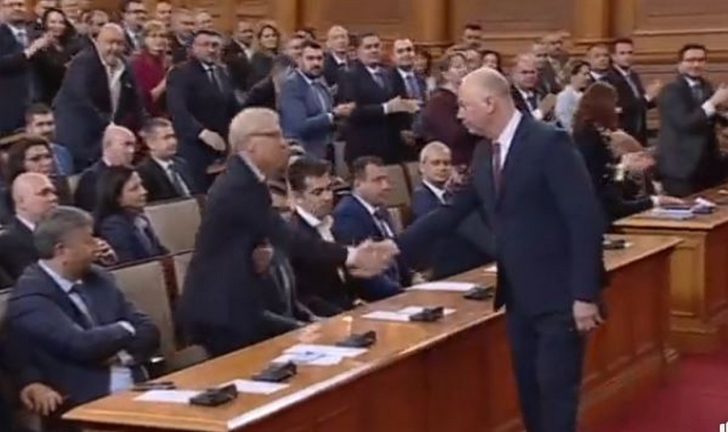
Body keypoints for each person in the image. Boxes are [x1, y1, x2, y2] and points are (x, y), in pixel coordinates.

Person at [397, 67, 606, 432]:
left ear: (489, 103)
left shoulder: (549, 143)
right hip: (519, 299)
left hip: (561, 299)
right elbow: (451, 212)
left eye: (464, 106)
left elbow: (584, 220)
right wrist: (392, 246)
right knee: (529, 394)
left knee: (556, 396)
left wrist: (585, 295)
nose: (459, 114)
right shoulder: (484, 153)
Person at [177, 108, 396, 357]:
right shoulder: (240, 185)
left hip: (236, 304)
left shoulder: (248, 180)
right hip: (219, 309)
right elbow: (287, 237)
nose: (284, 143)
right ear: (250, 144)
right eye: (275, 135)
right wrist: (352, 256)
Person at [6, 206, 159, 409]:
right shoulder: (30, 296)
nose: (97, 246)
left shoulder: (99, 277)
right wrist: (125, 328)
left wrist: (122, 355)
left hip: (142, 385)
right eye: (88, 241)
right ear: (61, 250)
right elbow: (81, 345)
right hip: (91, 400)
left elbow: (149, 330)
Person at [572, 81, 682, 223]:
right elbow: (610, 196)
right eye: (614, 105)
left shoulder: (592, 133)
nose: (618, 110)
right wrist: (624, 167)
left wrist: (624, 164)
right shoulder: (590, 138)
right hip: (603, 215)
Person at [53, 23, 146, 169]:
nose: (114, 48)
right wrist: (110, 127)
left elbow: (135, 102)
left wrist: (145, 128)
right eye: (110, 43)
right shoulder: (82, 63)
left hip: (107, 138)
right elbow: (82, 101)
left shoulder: (125, 66)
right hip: (80, 136)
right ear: (98, 42)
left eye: (119, 43)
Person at [0, 173, 116, 287]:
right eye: (44, 193)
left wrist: (104, 260)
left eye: (53, 192)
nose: (53, 198)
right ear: (21, 202)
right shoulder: (8, 242)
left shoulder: (73, 226)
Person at [166, 29, 239, 190]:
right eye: (205, 45)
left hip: (222, 147)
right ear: (193, 48)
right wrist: (202, 133)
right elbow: (178, 110)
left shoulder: (223, 72)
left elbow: (232, 108)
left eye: (215, 45)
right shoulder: (180, 72)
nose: (211, 50)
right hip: (194, 147)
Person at [332, 156, 410, 300]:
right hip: (378, 300)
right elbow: (365, 273)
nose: (386, 186)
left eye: (386, 179)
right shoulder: (348, 214)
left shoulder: (381, 210)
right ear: (358, 184)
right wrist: (402, 294)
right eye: (378, 180)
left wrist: (412, 282)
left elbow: (397, 253)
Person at [287, 157, 356, 316]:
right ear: (297, 197)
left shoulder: (337, 223)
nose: (328, 197)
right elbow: (304, 297)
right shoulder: (295, 235)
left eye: (329, 188)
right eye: (318, 192)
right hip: (327, 319)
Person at [657, 44, 728, 197]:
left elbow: (710, 116)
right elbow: (685, 123)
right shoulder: (670, 91)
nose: (696, 64)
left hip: (708, 167)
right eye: (690, 60)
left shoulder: (706, 87)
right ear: (680, 64)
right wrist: (713, 102)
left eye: (701, 60)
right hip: (681, 168)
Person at [411, 141, 490, 278]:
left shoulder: (454, 194)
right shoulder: (421, 197)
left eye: (446, 163)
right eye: (436, 163)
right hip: (441, 265)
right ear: (422, 167)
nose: (442, 168)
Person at [338, 32, 419, 164]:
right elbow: (352, 112)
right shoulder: (349, 76)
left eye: (376, 46)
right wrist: (385, 108)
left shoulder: (391, 73)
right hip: (364, 148)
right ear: (357, 51)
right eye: (368, 47)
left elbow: (399, 103)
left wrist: (405, 125)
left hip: (392, 148)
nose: (374, 50)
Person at [280, 40, 354, 158]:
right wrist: (333, 114)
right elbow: (298, 126)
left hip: (326, 151)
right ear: (298, 60)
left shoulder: (320, 83)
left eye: (319, 59)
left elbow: (327, 113)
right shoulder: (292, 85)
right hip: (304, 155)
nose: (316, 63)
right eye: (310, 58)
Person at [94, 166, 168, 264]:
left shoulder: (140, 218)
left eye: (141, 185)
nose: (144, 191)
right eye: (134, 189)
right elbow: (129, 263)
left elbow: (159, 251)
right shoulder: (113, 226)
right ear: (117, 197)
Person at [0, 0, 52, 136]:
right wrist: (27, 53)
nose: (17, 8)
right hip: (8, 111)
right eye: (11, 4)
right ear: (1, 8)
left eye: (20, 4)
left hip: (40, 107)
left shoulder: (38, 33)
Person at [420, 51, 479, 167]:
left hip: (472, 160)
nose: (464, 70)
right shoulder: (439, 102)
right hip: (453, 164)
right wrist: (477, 124)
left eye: (465, 66)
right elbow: (453, 136)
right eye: (458, 67)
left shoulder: (466, 97)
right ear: (445, 74)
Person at [605, 38, 663, 145]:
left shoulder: (633, 76)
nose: (627, 57)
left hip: (639, 133)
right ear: (613, 56)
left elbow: (641, 105)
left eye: (630, 53)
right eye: (622, 53)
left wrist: (655, 97)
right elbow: (622, 109)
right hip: (622, 135)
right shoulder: (608, 79)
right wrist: (647, 97)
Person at [74, 124, 136, 211]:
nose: (132, 150)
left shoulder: (135, 174)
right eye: (126, 144)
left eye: (133, 145)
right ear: (108, 146)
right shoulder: (91, 178)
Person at [136, 117, 196, 202]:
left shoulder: (182, 164)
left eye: (173, 136)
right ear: (150, 143)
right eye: (166, 138)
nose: (173, 142)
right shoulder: (143, 172)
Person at [31, 7, 81, 104]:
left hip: (67, 95)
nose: (57, 26)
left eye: (61, 22)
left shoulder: (70, 44)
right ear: (45, 23)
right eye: (53, 22)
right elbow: (52, 71)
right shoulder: (39, 45)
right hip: (46, 97)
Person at [4, 135, 73, 205]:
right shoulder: (7, 195)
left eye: (48, 156)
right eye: (35, 159)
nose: (46, 163)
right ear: (19, 164)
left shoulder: (60, 183)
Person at [389, 37, 427, 160]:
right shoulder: (387, 79)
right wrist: (401, 130)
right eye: (400, 51)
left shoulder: (421, 78)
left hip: (423, 137)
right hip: (398, 138)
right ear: (392, 57)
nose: (406, 54)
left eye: (409, 50)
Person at [131, 20, 169, 117]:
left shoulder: (166, 62)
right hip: (146, 117)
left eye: (162, 36)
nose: (159, 40)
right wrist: (165, 82)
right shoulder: (138, 63)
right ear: (144, 40)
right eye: (153, 36)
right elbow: (145, 100)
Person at [25, 103, 74, 176]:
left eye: (50, 123)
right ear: (28, 128)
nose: (46, 129)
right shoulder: (21, 154)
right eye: (40, 124)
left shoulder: (63, 152)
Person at [510, 53, 556, 121]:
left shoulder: (542, 93)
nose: (530, 76)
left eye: (532, 72)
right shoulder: (508, 96)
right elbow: (519, 123)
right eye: (524, 72)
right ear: (513, 74)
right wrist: (541, 111)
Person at [555, 60, 591, 132]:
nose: (588, 78)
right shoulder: (564, 96)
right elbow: (565, 122)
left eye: (588, 74)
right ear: (573, 75)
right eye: (584, 74)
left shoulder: (584, 95)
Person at [223, 20, 255, 98]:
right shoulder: (229, 51)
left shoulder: (256, 48)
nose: (249, 34)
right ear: (235, 34)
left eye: (251, 31)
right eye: (244, 32)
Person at [248, 22, 280, 88]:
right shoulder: (257, 59)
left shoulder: (281, 56)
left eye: (274, 35)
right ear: (259, 40)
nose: (271, 39)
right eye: (267, 36)